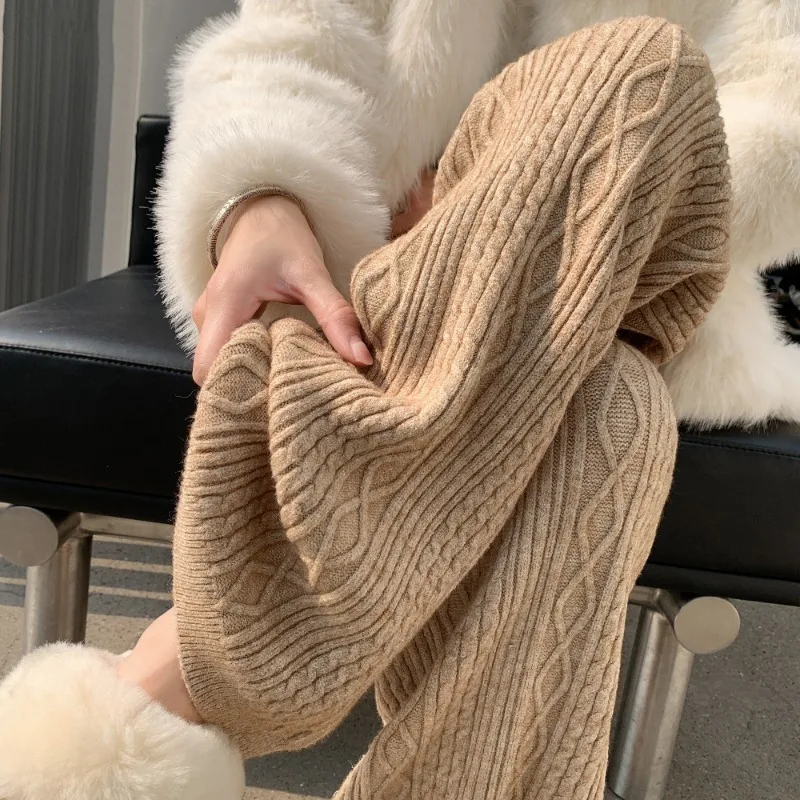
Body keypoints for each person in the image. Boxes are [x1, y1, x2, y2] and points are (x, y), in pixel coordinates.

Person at [0, 2, 791, 799]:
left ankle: (213, 652)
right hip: (355, 288)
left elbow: (782, 123)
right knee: (609, 412)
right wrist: (260, 200)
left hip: (620, 270)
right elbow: (283, 45)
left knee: (635, 72)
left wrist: (511, 204)